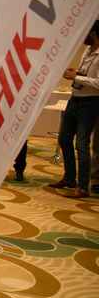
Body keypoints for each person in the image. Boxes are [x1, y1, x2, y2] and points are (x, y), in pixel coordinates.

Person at [49, 22, 99, 198]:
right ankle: (70, 178)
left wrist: (76, 77)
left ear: (94, 34)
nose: (83, 36)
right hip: (75, 98)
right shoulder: (88, 50)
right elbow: (86, 74)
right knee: (64, 139)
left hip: (91, 103)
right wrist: (76, 73)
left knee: (82, 144)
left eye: (87, 32)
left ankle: (83, 187)